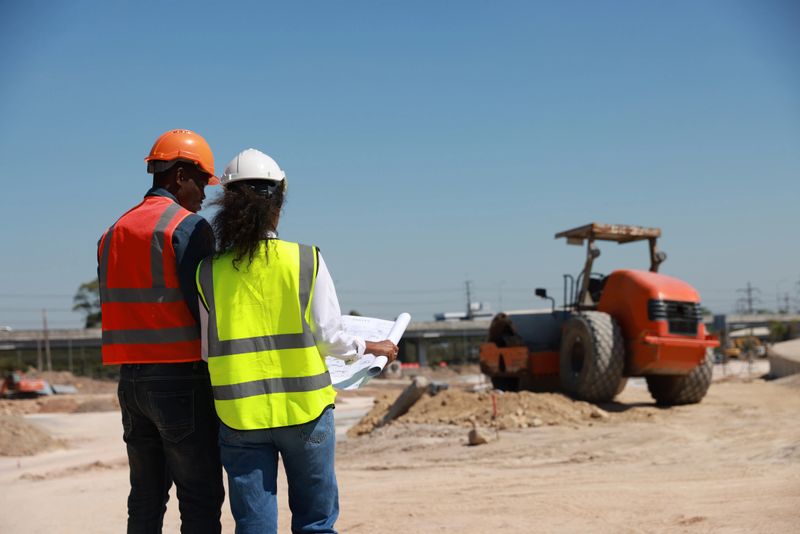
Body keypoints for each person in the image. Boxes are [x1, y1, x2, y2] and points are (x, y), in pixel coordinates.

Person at [196, 148, 398, 534]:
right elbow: (330, 336)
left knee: (253, 523)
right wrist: (374, 348)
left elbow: (209, 352)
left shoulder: (208, 273)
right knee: (316, 523)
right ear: (279, 202)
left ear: (227, 205)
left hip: (239, 416)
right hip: (306, 412)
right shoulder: (306, 260)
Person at [97, 129, 225, 533]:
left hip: (130, 383)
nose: (204, 195)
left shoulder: (112, 232)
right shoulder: (187, 228)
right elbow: (206, 308)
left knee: (146, 495)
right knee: (200, 496)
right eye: (202, 181)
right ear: (180, 175)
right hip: (180, 379)